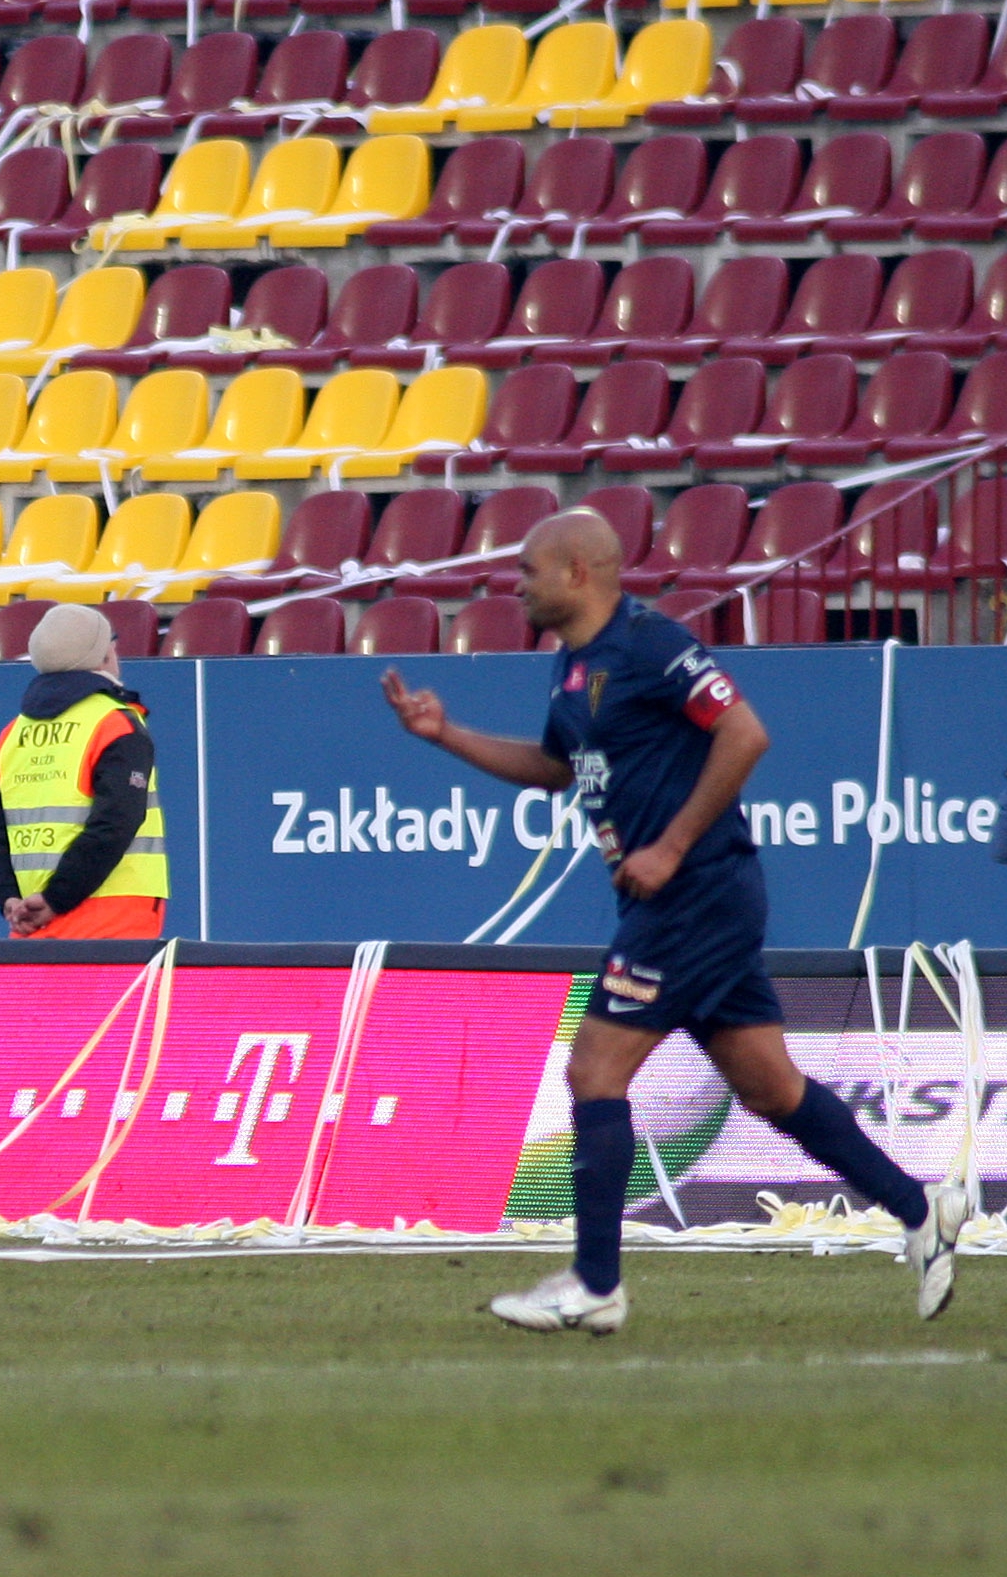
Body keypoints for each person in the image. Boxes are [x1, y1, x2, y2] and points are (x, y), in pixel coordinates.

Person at [381, 509, 965, 1335]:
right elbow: (554, 769)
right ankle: (921, 1208)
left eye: (530, 570)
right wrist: (446, 736)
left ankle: (596, 1283)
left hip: (693, 893)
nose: (516, 585)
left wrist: (671, 845)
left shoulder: (650, 645)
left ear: (579, 571)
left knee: (594, 1068)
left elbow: (745, 734)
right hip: (687, 900)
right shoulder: (572, 665)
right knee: (770, 1086)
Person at [0, 604, 165, 940]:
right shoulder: (115, 724)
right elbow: (115, 824)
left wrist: (9, 900)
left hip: (31, 924)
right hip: (114, 921)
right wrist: (55, 899)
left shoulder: (12, 735)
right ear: (105, 655)